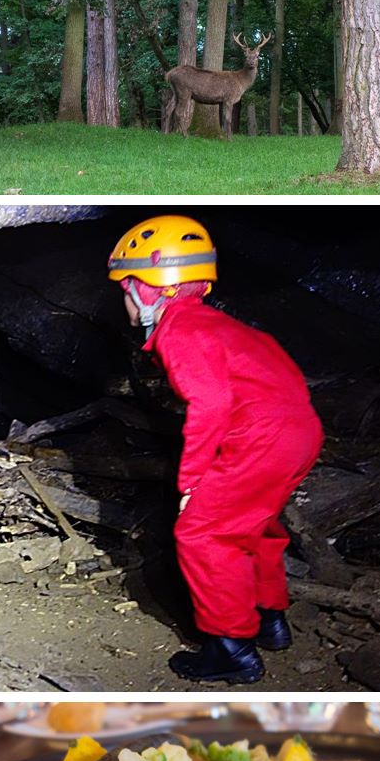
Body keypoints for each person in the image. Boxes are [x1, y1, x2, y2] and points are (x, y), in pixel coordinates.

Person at [107, 214, 324, 685]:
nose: (123, 305)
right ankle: (270, 621)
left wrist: (191, 483)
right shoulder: (226, 326)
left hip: (261, 436)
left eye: (125, 293)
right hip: (300, 431)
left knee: (204, 535)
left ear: (151, 290)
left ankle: (231, 649)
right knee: (255, 526)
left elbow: (210, 403)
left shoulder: (180, 330)